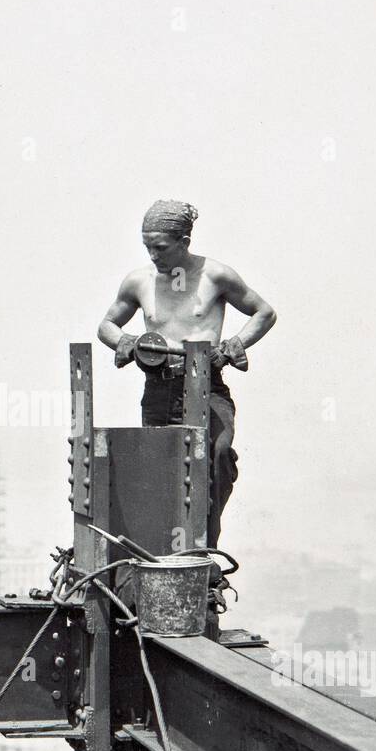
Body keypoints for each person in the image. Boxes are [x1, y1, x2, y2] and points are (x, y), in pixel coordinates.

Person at [97, 200, 277, 545]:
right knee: (163, 469)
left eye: (161, 247)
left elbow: (263, 312)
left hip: (208, 386)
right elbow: (106, 325)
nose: (153, 255)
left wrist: (234, 345)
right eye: (147, 246)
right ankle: (164, 551)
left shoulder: (216, 275)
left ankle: (205, 544)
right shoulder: (139, 282)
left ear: (184, 241)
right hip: (159, 389)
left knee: (219, 455)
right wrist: (129, 342)